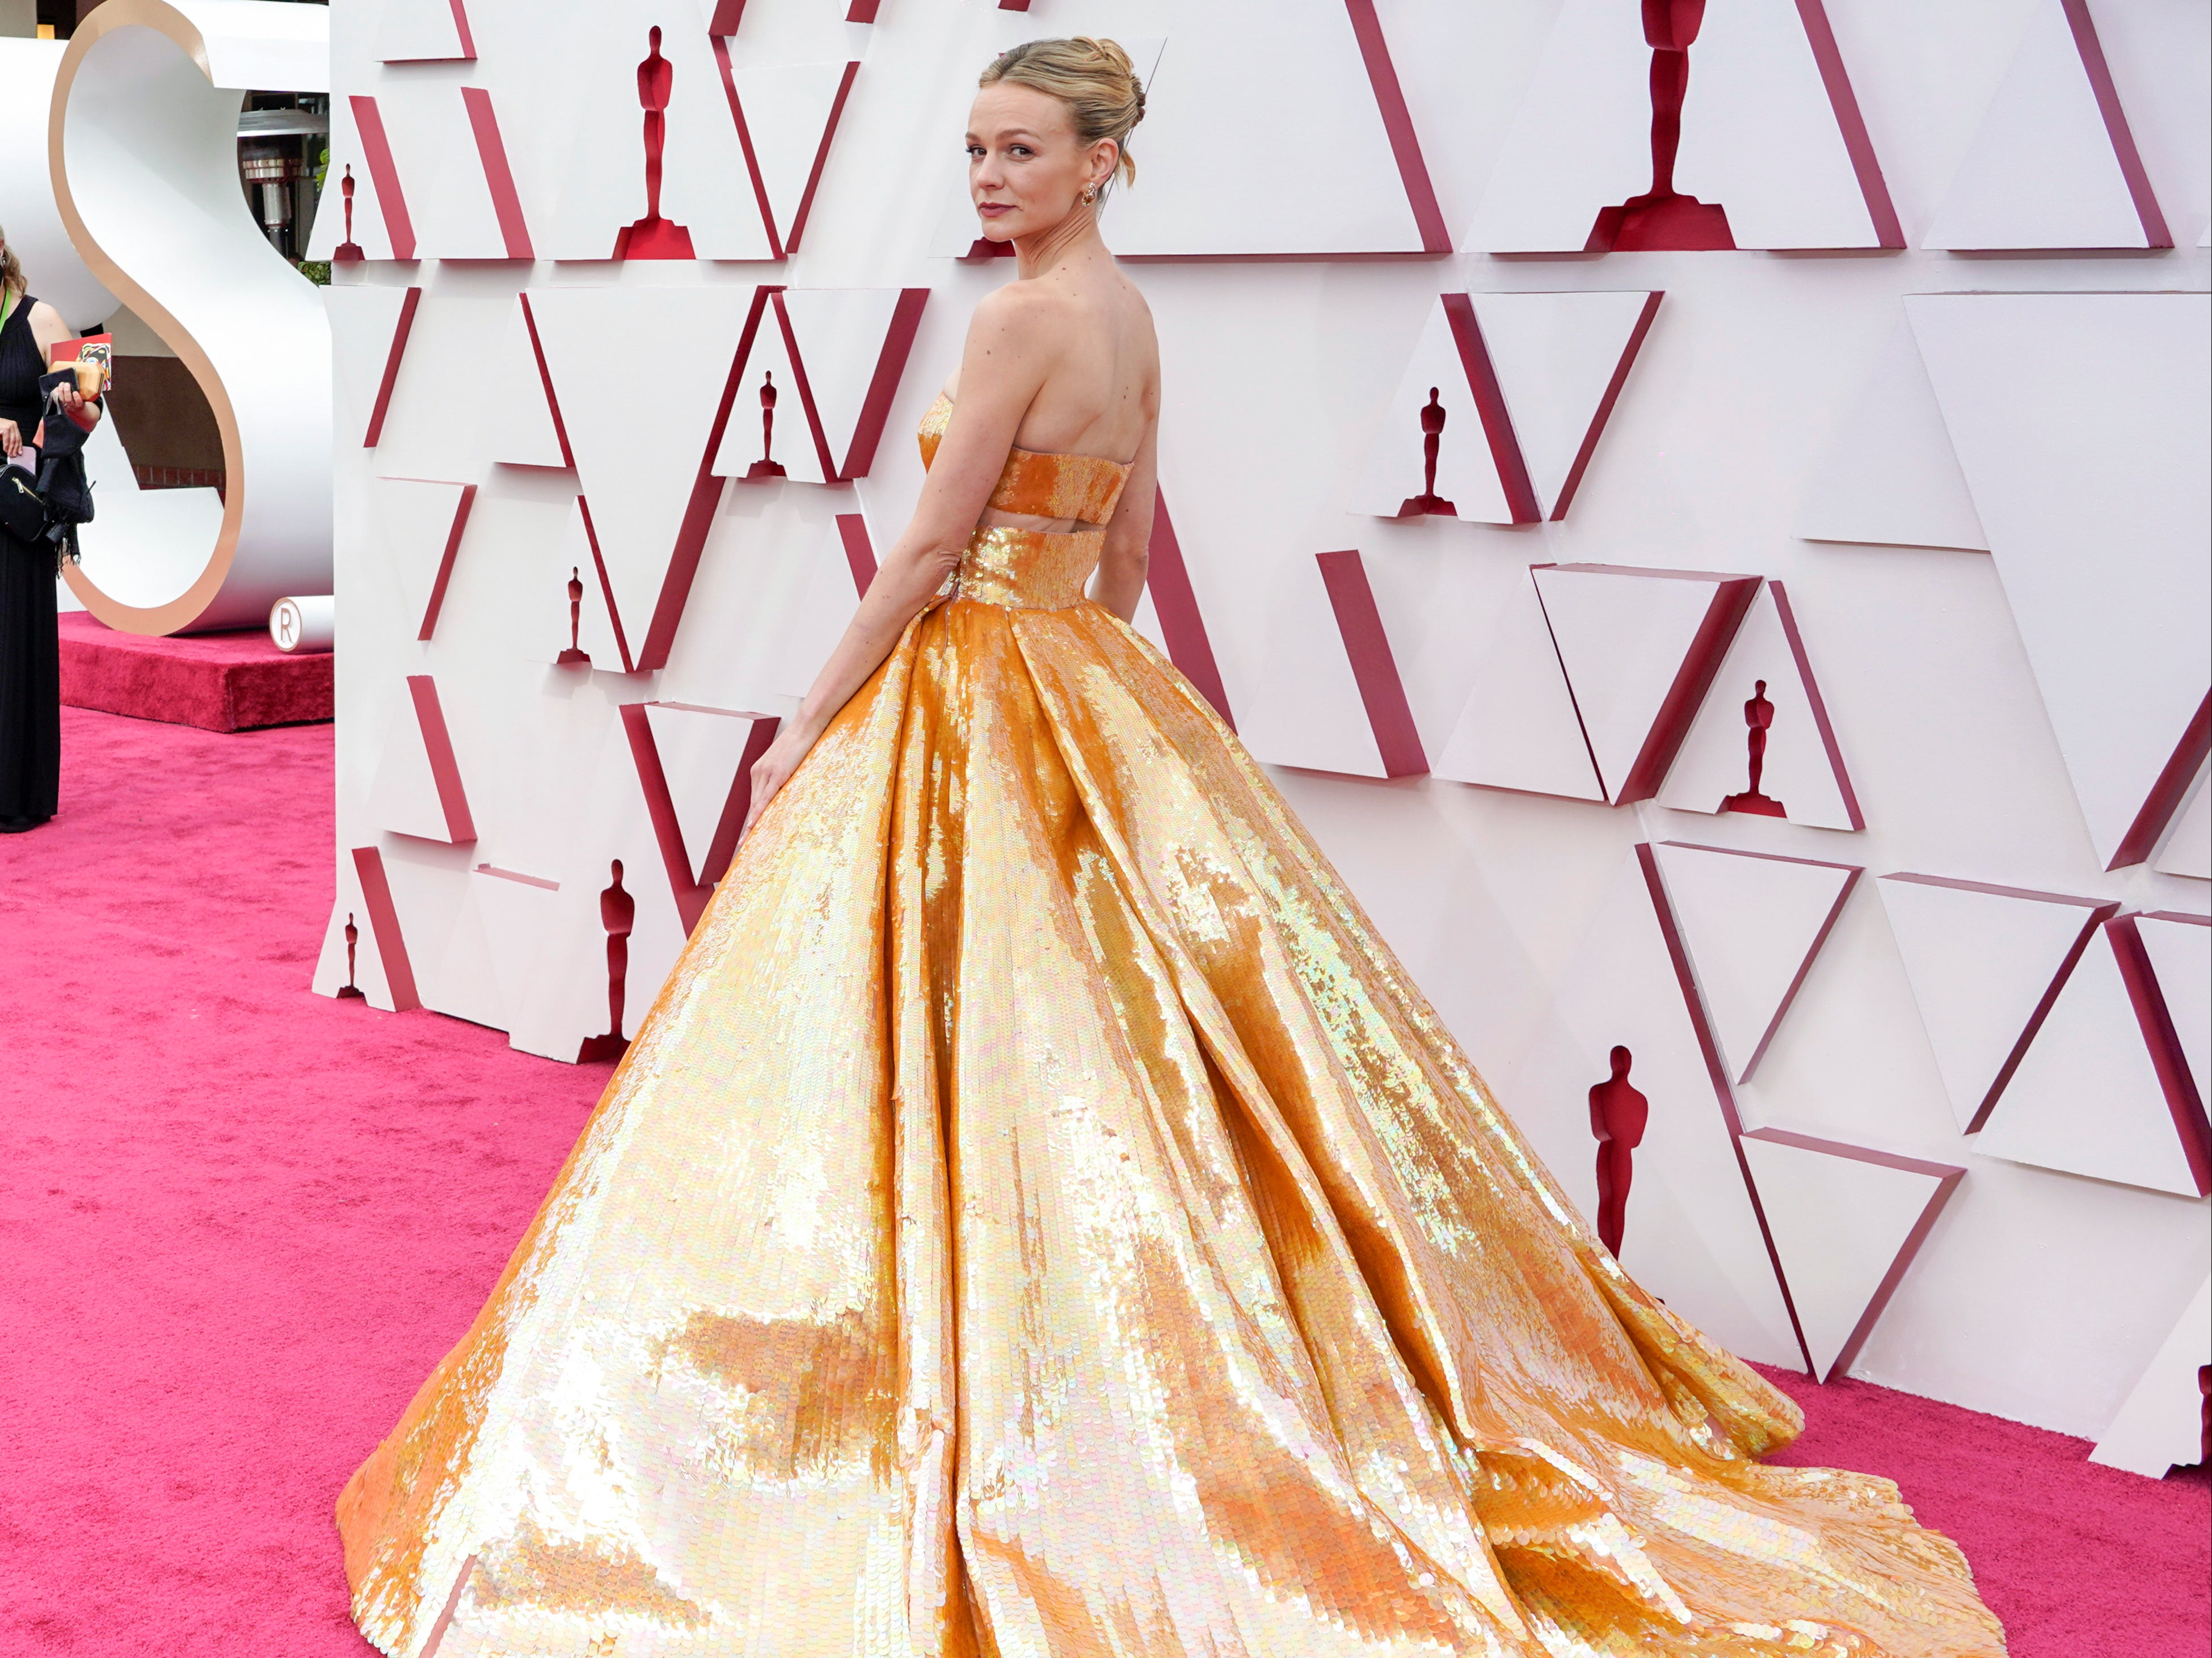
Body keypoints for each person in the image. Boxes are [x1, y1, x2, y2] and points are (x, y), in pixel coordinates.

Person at [336, 40, 2005, 1657]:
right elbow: (1128, 544)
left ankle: (978, 1395)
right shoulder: (1130, 318)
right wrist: (1091, 694)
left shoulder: (1016, 322)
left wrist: (800, 725)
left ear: (1099, 159)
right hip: (1082, 676)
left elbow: (925, 546)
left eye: (1022, 152)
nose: (991, 177)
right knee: (1107, 1049)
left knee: (951, 1045)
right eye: (978, 149)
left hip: (972, 677)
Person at [0, 225, 101, 835]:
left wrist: (71, 399)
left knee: (18, 640)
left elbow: (94, 409)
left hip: (18, 507)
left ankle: (19, 791)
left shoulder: (47, 317)